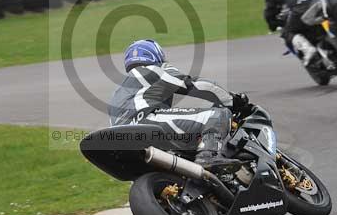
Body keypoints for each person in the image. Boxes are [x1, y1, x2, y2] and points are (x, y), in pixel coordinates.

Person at [108, 39, 251, 169]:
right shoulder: (155, 69)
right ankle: (208, 157)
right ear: (156, 55)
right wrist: (232, 100)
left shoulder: (117, 92)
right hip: (146, 123)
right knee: (217, 115)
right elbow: (196, 86)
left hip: (121, 142)